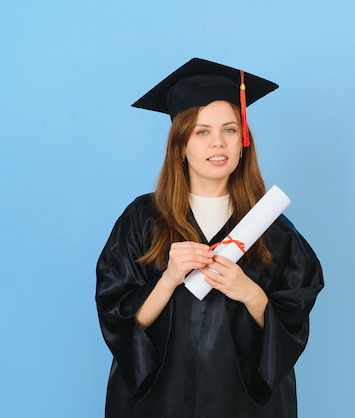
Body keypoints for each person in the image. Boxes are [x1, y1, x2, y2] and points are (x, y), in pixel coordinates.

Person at [96, 58, 324, 418]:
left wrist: (248, 292)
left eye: (230, 130)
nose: (218, 143)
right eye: (202, 131)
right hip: (159, 404)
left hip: (242, 407)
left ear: (243, 140)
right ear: (181, 144)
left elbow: (291, 328)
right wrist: (169, 279)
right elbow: (119, 322)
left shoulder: (272, 230)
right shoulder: (141, 221)